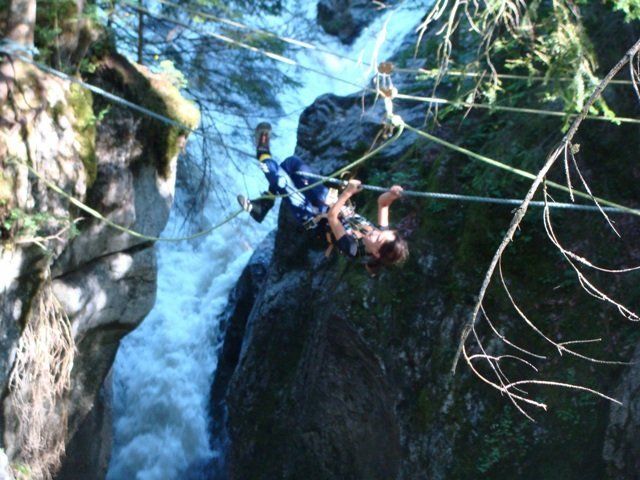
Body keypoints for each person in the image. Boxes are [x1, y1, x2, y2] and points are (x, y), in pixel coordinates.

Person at [238, 122, 409, 274]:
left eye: (377, 239)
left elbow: (333, 217)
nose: (376, 233)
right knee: (292, 164)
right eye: (381, 232)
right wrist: (392, 194)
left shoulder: (352, 248)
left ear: (376, 253)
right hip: (327, 199)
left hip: (313, 215)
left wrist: (348, 193)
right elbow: (383, 204)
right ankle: (265, 204)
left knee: (282, 181)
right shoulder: (381, 233)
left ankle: (262, 151)